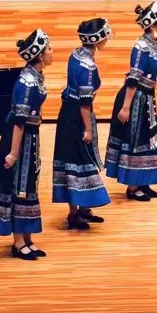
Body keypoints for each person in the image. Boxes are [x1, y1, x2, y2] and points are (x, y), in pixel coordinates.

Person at [0, 29, 50, 260]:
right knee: (19, 186)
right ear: (40, 55)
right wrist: (13, 153)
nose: (52, 52)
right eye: (49, 49)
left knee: (29, 185)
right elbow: (19, 121)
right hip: (20, 140)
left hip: (30, 138)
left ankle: (27, 237)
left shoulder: (36, 76)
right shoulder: (27, 81)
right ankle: (18, 242)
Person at [106, 2, 157, 202]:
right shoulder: (140, 47)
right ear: (152, 25)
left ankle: (144, 181)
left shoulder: (156, 43)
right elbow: (133, 79)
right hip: (135, 99)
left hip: (147, 97)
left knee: (148, 138)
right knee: (135, 140)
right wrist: (126, 108)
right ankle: (132, 187)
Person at [50, 18, 112, 231]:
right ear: (96, 40)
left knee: (79, 160)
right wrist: (87, 128)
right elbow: (85, 102)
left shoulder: (75, 54)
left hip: (68, 113)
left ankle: (83, 207)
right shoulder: (88, 66)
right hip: (77, 117)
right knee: (76, 161)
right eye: (105, 37)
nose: (107, 40)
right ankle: (73, 213)